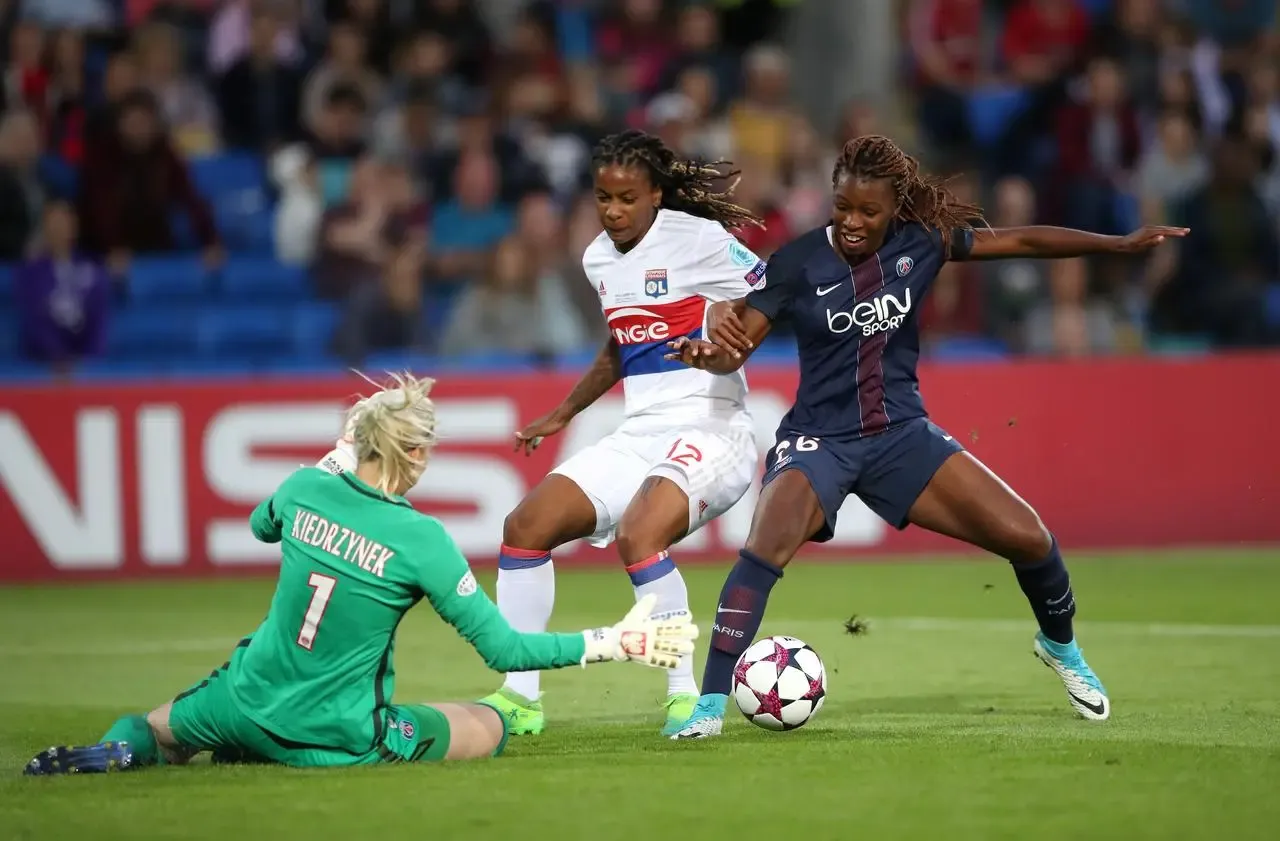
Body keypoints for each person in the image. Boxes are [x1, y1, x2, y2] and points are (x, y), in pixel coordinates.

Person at [662, 135, 1188, 739]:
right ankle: (708, 707)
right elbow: (737, 349)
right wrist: (706, 355)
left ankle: (1061, 649)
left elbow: (1023, 241)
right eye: (843, 207)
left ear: (894, 207)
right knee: (763, 548)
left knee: (1031, 538)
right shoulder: (797, 263)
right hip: (819, 440)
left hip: (900, 436)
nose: (853, 222)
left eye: (869, 211)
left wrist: (1118, 244)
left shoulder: (922, 243)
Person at [24, 373, 697, 775]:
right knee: (485, 728)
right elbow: (505, 650)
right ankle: (282, 747)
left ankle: (112, 753)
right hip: (338, 734)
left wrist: (328, 463)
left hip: (241, 698)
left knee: (156, 728)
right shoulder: (422, 540)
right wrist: (615, 640)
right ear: (414, 452)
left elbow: (262, 524)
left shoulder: (304, 488)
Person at [485, 129, 767, 737]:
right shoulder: (597, 259)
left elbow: (775, 288)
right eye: (602, 198)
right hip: (640, 433)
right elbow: (621, 345)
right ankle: (521, 696)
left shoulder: (699, 239)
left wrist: (730, 315)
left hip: (713, 427)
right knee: (525, 527)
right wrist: (563, 413)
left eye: (627, 198)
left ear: (656, 195)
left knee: (639, 535)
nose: (613, 211)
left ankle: (684, 696)